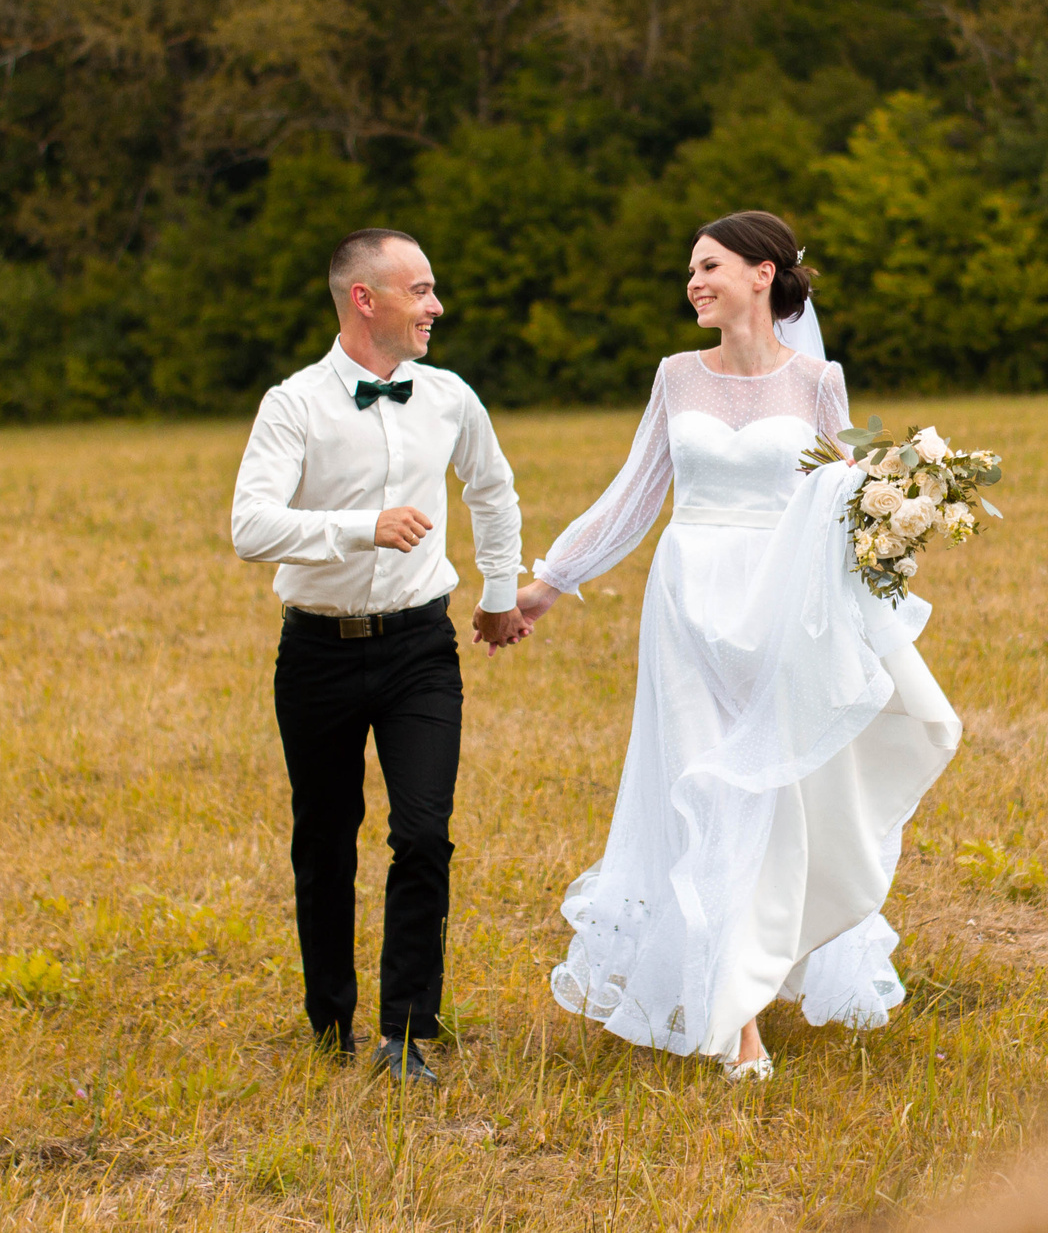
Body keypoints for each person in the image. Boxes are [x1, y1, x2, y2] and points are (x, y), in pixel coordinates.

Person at [512, 210, 962, 1081]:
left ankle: (760, 967)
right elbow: (635, 495)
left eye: (709, 265)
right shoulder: (677, 376)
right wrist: (548, 582)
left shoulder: (818, 382)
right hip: (688, 606)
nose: (693, 281)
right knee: (710, 789)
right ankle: (741, 1022)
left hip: (785, 606)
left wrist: (881, 580)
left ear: (764, 274)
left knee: (775, 797)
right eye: (690, 269)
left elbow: (845, 503)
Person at [230, 228, 531, 1087]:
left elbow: (493, 487)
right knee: (325, 839)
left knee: (424, 834)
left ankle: (406, 1032)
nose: (437, 305)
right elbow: (251, 526)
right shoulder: (293, 403)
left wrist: (500, 591)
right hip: (317, 651)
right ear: (366, 299)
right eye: (421, 289)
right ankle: (330, 1018)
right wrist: (359, 526)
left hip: (419, 647)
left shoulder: (448, 397)